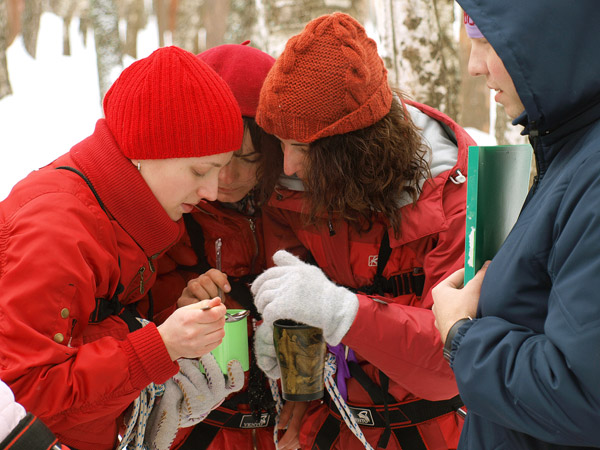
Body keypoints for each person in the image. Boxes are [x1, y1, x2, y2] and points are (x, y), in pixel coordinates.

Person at [0, 46, 247, 450]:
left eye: (221, 169)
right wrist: (159, 345)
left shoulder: (119, 214)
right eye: (201, 170)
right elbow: (22, 400)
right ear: (142, 152)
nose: (211, 191)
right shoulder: (57, 228)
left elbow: (96, 334)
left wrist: (172, 321)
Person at [250, 12, 476, 450]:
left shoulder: (455, 197)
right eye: (280, 144)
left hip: (437, 433)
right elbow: (298, 289)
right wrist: (291, 352)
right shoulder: (294, 189)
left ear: (350, 149)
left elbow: (452, 362)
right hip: (330, 430)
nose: (289, 166)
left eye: (300, 148)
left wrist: (340, 311)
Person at [431, 2, 600, 449]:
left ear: (548, 41)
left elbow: (585, 395)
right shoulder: (569, 153)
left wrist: (461, 334)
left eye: (489, 42)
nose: (473, 67)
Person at [145, 42, 283, 450]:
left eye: (250, 157)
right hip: (200, 429)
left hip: (292, 424)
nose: (228, 176)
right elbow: (127, 323)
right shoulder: (165, 211)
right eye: (215, 158)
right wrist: (178, 307)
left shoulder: (298, 208)